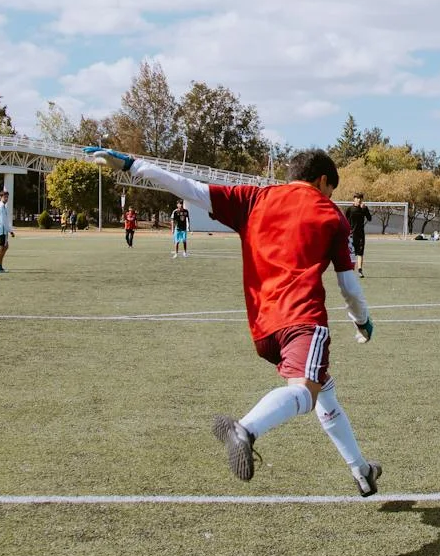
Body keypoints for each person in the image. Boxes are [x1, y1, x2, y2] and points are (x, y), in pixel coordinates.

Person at [84, 145, 381, 496]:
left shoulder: (252, 199)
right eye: (330, 189)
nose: (331, 196)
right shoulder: (330, 213)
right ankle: (246, 429)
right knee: (306, 391)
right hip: (303, 319)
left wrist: (134, 165)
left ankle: (361, 471)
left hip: (263, 329)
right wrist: (361, 321)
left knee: (323, 387)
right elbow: (349, 284)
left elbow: (187, 187)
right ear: (321, 180)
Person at [346, 193, 373, 276]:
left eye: (360, 198)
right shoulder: (350, 209)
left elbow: (369, 219)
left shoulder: (364, 208)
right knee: (351, 254)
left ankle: (360, 270)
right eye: (357, 198)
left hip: (361, 234)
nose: (359, 200)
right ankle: (350, 270)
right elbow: (345, 220)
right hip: (351, 235)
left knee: (360, 253)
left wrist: (365, 209)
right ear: (354, 199)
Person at [0, 190, 14, 273]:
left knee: (5, 246)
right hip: (2, 230)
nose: (6, 198)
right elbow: (3, 220)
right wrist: (10, 231)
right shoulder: (1, 206)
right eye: (5, 197)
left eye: (7, 197)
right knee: (1, 248)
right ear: (0, 197)